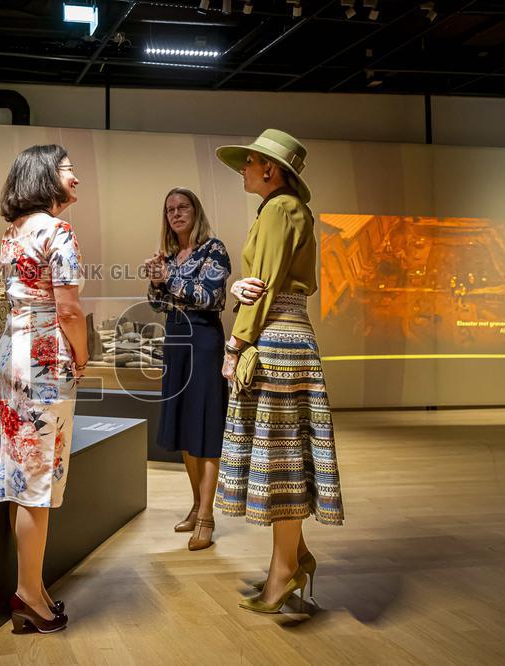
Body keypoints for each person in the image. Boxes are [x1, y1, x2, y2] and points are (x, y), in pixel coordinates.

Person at [214, 129, 345, 614]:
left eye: (248, 164)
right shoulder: (288, 210)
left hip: (275, 341)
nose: (243, 171)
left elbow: (263, 289)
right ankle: (296, 554)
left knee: (282, 462)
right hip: (290, 335)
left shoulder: (277, 209)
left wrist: (236, 343)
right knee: (286, 455)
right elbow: (261, 283)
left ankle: (284, 571)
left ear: (270, 169)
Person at [0, 144, 87, 634]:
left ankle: (33, 585)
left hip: (14, 351)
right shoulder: (59, 231)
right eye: (70, 170)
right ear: (48, 176)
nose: (77, 179)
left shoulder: (13, 234)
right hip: (47, 356)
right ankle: (29, 594)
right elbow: (68, 310)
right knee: (38, 480)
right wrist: (86, 355)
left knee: (20, 474)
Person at [144, 188, 231, 551]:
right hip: (176, 342)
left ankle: (208, 517)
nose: (176, 214)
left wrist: (168, 279)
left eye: (183, 207)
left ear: (196, 211)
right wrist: (154, 281)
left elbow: (210, 296)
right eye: (170, 210)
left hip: (204, 341)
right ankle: (196, 506)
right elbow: (157, 304)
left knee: (206, 426)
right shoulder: (168, 255)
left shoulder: (214, 249)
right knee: (182, 425)